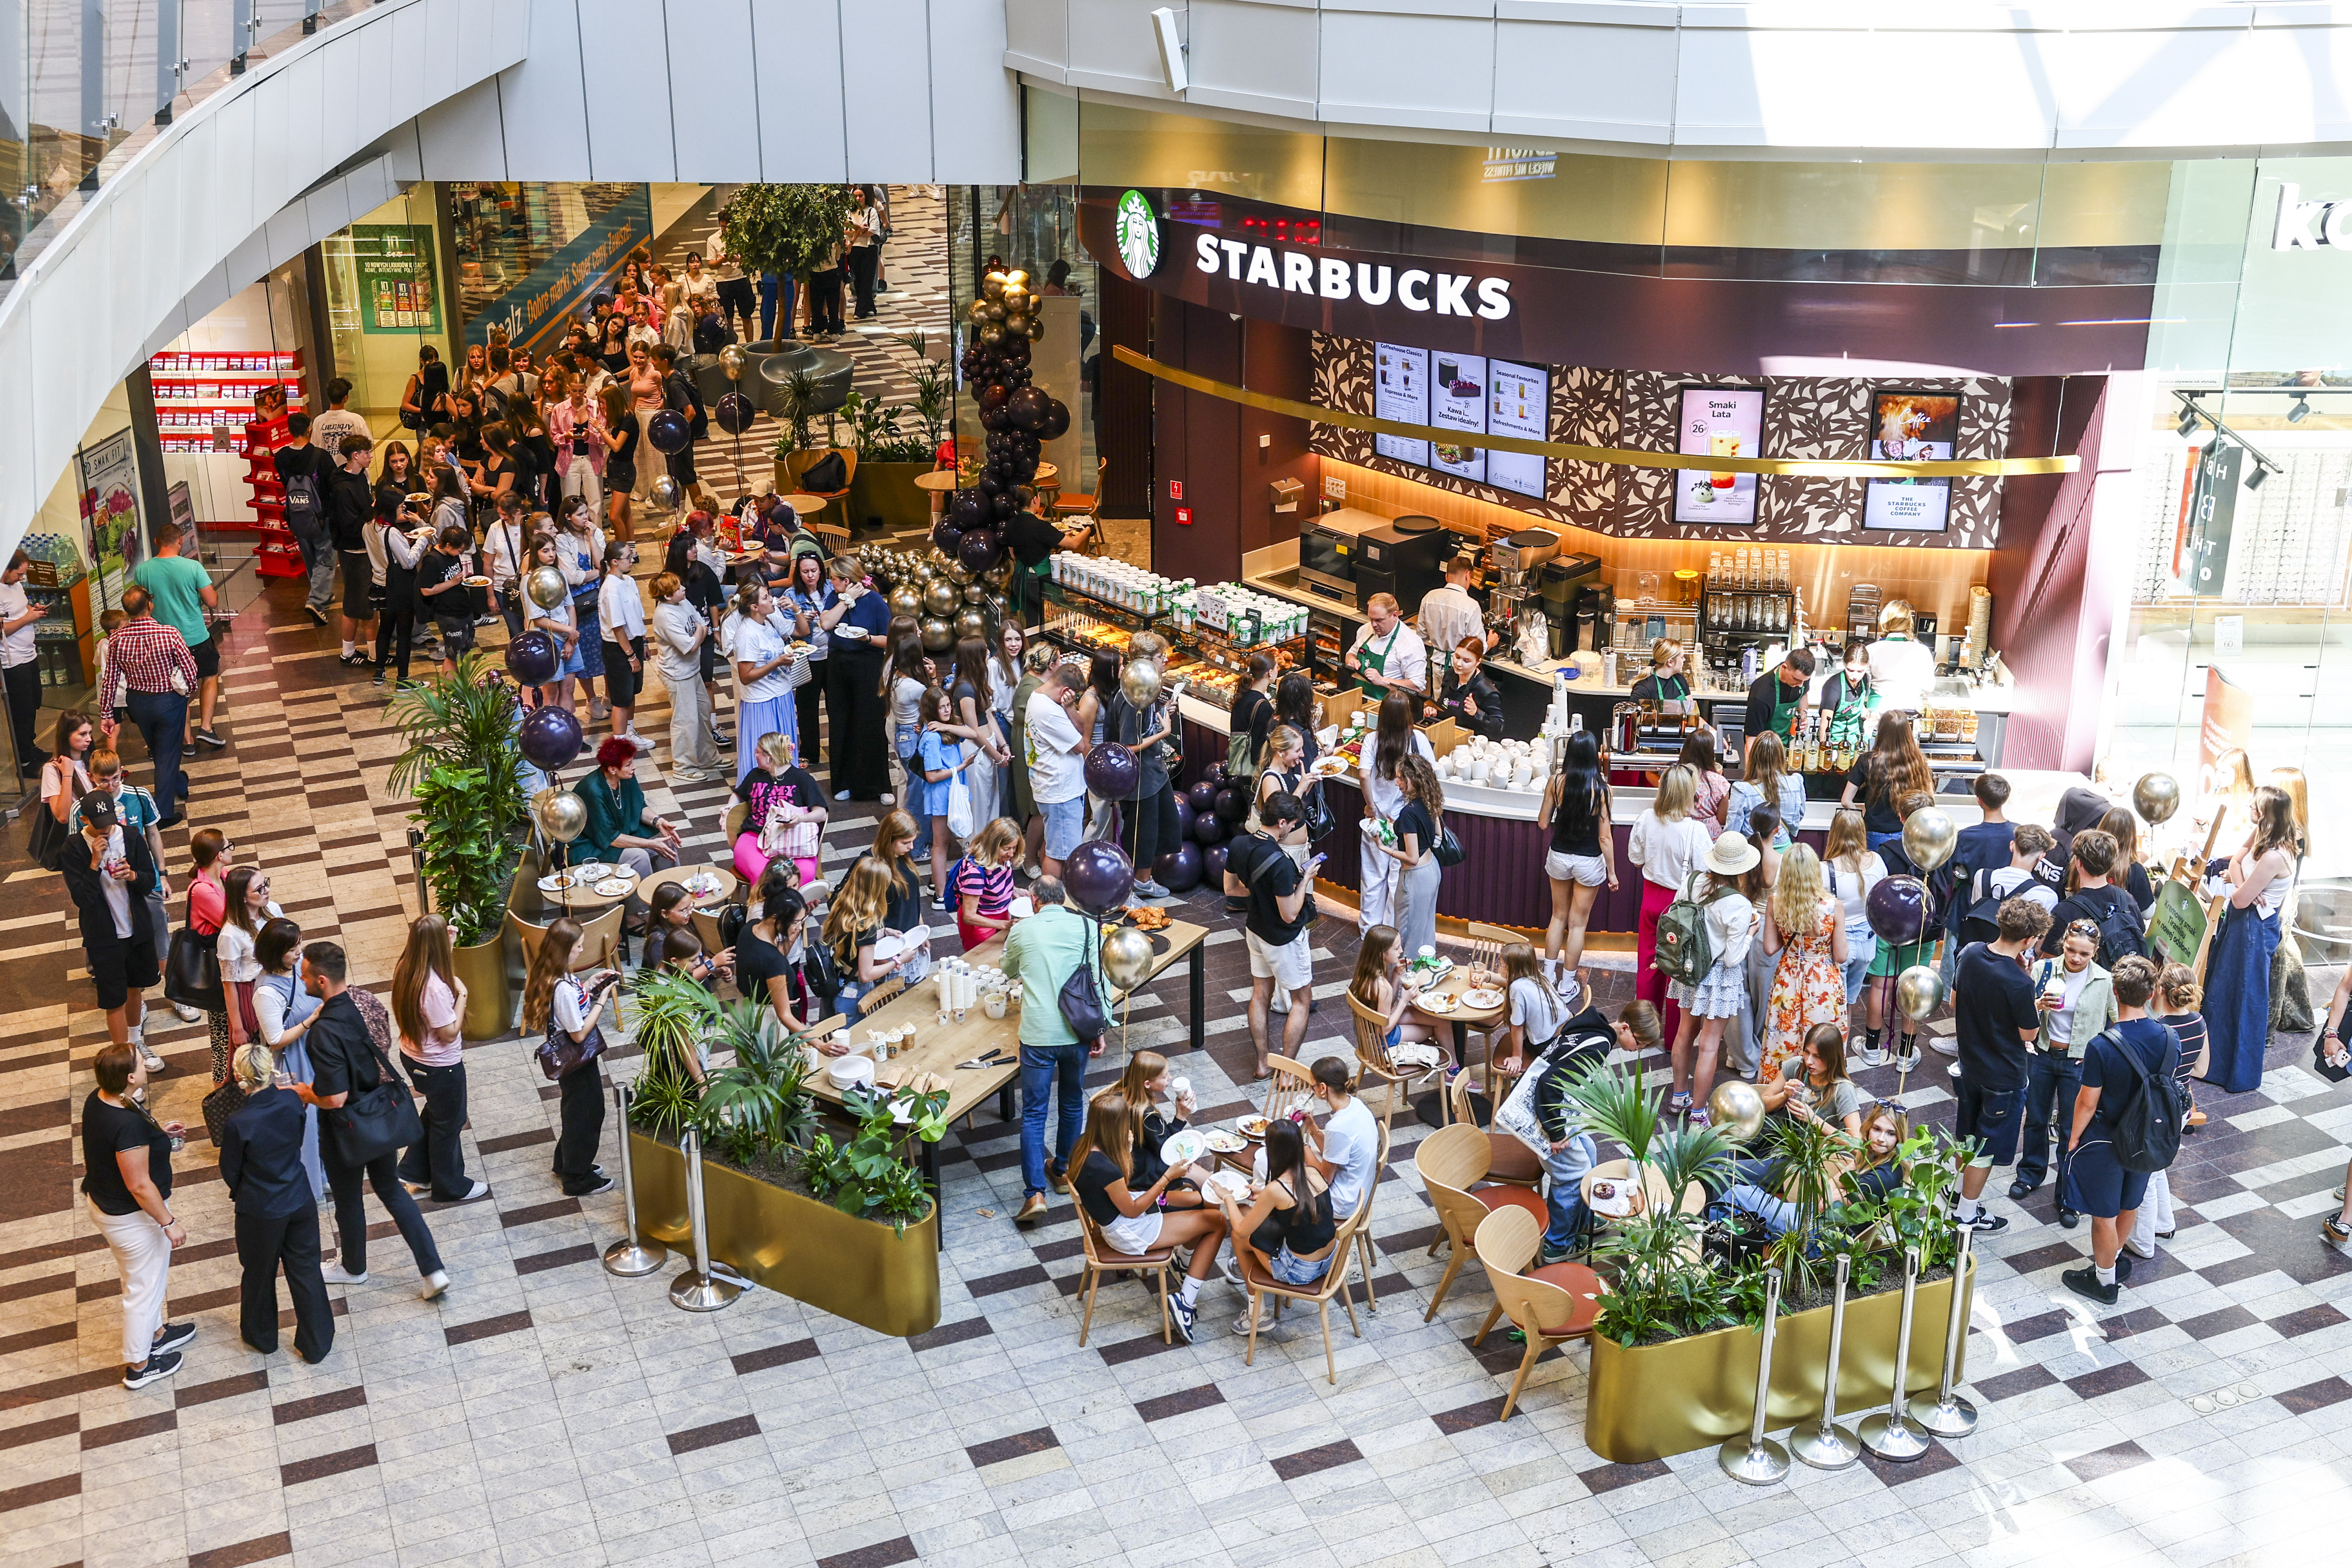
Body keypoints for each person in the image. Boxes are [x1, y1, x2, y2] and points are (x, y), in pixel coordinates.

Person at [292, 942, 449, 1297]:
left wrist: (305, 1093)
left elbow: (334, 1097)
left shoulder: (323, 1033)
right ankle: (433, 1269)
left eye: (303, 975)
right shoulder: (366, 1002)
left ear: (320, 980)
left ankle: (353, 1267)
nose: (300, 980)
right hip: (378, 1115)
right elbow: (381, 1048)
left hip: (345, 1127)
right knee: (391, 1190)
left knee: (348, 1198)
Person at [2060, 956, 2177, 1305]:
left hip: (2107, 1139)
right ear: (2153, 992)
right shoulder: (2169, 1036)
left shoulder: (2102, 1046)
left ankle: (2105, 1282)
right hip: (2149, 1137)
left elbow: (2087, 1102)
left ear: (2115, 992)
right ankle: (2113, 1262)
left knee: (2103, 1213)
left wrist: (2074, 1138)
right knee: (2130, 1204)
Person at [1072, 1089, 1231, 1343]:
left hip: (1120, 1210)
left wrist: (1128, 1147)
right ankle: (1185, 1302)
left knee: (1201, 1199)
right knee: (1218, 1222)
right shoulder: (1104, 1169)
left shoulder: (1082, 1145)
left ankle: (1182, 1262)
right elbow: (1132, 1210)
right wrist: (1168, 1177)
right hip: (1127, 1229)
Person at [83, 1041, 194, 1388]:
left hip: (107, 1205)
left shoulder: (101, 1098)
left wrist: (159, 1137)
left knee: (137, 1279)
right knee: (142, 1290)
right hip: (132, 1217)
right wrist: (169, 1223)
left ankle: (157, 1333)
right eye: (140, 1062)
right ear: (131, 1076)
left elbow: (124, 1143)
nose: (146, 1064)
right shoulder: (126, 1126)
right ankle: (139, 1365)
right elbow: (140, 1185)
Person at [1004, 874, 1109, 1225]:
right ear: (1063, 899)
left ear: (1035, 901)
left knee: (1034, 1114)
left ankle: (1034, 1193)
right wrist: (1100, 1027)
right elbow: (1099, 979)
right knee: (1071, 1101)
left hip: (1037, 1035)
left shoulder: (1022, 930)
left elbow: (1008, 969)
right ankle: (1063, 1170)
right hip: (1076, 1030)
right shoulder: (1086, 927)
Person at [220, 1042, 333, 1363]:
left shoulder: (239, 1123)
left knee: (258, 1273)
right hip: (299, 1198)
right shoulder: (291, 1100)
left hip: (261, 1209)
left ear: (240, 1077)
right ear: (271, 1070)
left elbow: (231, 1171)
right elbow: (297, 1138)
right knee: (306, 1270)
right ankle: (317, 1342)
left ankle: (263, 1337)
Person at [1952, 898, 2054, 1236]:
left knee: (1967, 1136)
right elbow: (2029, 1033)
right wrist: (2030, 995)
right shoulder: (2019, 982)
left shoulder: (1970, 952)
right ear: (2030, 940)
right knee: (1985, 1147)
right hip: (2003, 1075)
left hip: (1969, 1064)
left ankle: (1956, 1193)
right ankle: (1967, 1214)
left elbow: (1954, 1000)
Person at [2013, 917, 2115, 1224]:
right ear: (2064, 945)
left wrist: (2100, 1056)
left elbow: (2117, 1020)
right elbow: (2022, 1012)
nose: (2075, 958)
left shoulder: (2104, 981)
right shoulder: (2044, 969)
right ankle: (2030, 1174)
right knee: (2036, 1119)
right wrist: (2039, 1005)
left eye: (2084, 954)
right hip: (2044, 1054)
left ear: (2095, 953)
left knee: (2073, 1131)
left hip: (2079, 1062)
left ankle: (2069, 1196)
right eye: (2071, 950)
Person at [2200, 784, 2297, 1093]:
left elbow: (2241, 900)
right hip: (2242, 923)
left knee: (2245, 999)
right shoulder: (2262, 834)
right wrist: (2242, 883)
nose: (2249, 810)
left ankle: (2238, 1074)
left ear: (2266, 811)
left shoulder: (2275, 855)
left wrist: (2242, 888)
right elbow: (2235, 861)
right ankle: (2212, 1065)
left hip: (2255, 930)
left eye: (2254, 806)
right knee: (2221, 990)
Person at [1665, 832, 1761, 1122]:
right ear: (1742, 868)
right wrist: (1750, 935)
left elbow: (1676, 916)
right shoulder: (1740, 905)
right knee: (1709, 1045)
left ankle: (1678, 1097)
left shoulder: (1692, 882)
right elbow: (1733, 959)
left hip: (1687, 967)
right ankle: (1698, 1112)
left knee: (1684, 1033)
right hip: (1717, 977)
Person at [390, 915, 486, 1204]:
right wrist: (463, 995)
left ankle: (415, 1170)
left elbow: (437, 968)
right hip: (440, 1066)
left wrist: (449, 946)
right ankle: (450, 1186)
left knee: (436, 1114)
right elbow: (449, 1032)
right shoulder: (434, 989)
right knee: (450, 1123)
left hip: (414, 1057)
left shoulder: (407, 967)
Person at [521, 919, 619, 1198]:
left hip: (571, 1062)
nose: (582, 949)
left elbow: (571, 1004)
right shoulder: (561, 987)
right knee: (587, 1116)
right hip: (577, 1060)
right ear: (565, 950)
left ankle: (566, 1163)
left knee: (575, 1111)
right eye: (578, 946)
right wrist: (601, 1002)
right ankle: (577, 1178)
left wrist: (590, 985)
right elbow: (578, 1034)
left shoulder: (556, 975)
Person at [1226, 794, 1321, 1079]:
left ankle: (1263, 1064)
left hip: (1255, 929)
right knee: (1302, 1001)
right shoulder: (1280, 862)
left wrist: (1262, 895)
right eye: (1291, 825)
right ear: (1281, 822)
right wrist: (1305, 880)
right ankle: (1288, 1073)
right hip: (1283, 939)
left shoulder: (1239, 844)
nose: (1290, 830)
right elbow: (1290, 914)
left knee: (1260, 995)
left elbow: (1231, 889)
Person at [64, 789, 161, 1056]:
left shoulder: (130, 836)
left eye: (110, 820)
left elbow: (148, 882)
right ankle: (123, 1059)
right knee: (113, 999)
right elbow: (82, 899)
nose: (107, 828)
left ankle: (135, 1041)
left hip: (136, 928)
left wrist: (132, 876)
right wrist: (94, 863)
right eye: (99, 823)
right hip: (103, 937)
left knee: (135, 988)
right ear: (84, 820)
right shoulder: (73, 848)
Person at [1628, 764, 1715, 1052]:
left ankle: (1643, 1031)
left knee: (1648, 966)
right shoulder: (1695, 830)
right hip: (1680, 906)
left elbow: (1635, 858)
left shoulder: (1645, 819)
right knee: (1678, 973)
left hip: (1650, 900)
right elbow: (1704, 872)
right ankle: (1674, 1040)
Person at [96, 587, 198, 828]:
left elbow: (109, 678)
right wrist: (189, 690)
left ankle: (179, 783)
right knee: (166, 754)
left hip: (138, 703)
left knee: (159, 749)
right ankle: (163, 813)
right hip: (168, 701)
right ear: (149, 606)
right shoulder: (169, 634)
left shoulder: (117, 640)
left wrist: (107, 713)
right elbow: (190, 669)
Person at [250, 918, 326, 1203]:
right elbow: (275, 1039)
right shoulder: (267, 992)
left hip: (314, 1053)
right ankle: (310, 1186)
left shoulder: (297, 967)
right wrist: (311, 1020)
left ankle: (326, 1174)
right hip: (293, 1063)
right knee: (306, 1127)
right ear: (275, 952)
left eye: (299, 945)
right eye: (292, 948)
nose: (299, 952)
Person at [129, 523, 223, 751]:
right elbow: (212, 601)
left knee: (178, 688)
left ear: (156, 542)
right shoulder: (193, 567)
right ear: (180, 541)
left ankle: (187, 741)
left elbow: (140, 605)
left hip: (163, 641)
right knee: (209, 676)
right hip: (196, 637)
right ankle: (207, 728)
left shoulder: (143, 571)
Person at [1761, 844, 1849, 1077]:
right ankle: (1821, 1092)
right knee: (1820, 1039)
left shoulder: (1776, 902)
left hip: (1788, 977)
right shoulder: (1833, 907)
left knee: (1784, 1036)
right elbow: (1841, 956)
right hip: (1823, 979)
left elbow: (1770, 948)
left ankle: (1781, 1091)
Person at [1108, 633, 1180, 900]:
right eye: (1162, 657)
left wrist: (1162, 717)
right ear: (1144, 661)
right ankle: (1133, 886)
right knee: (1141, 834)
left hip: (1154, 774)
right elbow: (1127, 747)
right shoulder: (1131, 699)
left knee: (1159, 829)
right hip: (1139, 780)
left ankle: (1145, 879)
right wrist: (1164, 733)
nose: (1166, 662)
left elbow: (1144, 729)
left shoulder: (1147, 691)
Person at [1358, 693, 1435, 932]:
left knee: (1372, 875)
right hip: (1404, 823)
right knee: (1397, 879)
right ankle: (1391, 933)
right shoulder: (1417, 740)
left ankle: (1369, 930)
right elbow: (1432, 773)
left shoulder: (1372, 740)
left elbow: (1363, 774)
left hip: (1377, 821)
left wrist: (1371, 806)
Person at [572, 736, 682, 901]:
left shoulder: (625, 777)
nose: (634, 767)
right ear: (612, 769)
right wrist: (651, 843)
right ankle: (636, 915)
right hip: (590, 847)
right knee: (640, 856)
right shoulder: (593, 791)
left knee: (668, 845)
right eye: (629, 764)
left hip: (615, 836)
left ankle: (674, 900)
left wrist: (658, 821)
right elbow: (611, 839)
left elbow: (639, 806)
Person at [821, 555, 894, 801]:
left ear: (846, 579)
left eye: (833, 579)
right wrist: (846, 600)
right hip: (838, 665)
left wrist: (868, 639)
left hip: (868, 664)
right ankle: (843, 782)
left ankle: (879, 786)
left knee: (871, 723)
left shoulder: (875, 601)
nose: (830, 583)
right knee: (841, 721)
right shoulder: (835, 598)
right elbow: (826, 623)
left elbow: (889, 639)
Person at [821, 858, 922, 1021]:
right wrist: (899, 961)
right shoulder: (867, 925)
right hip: (854, 993)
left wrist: (883, 932)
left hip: (840, 980)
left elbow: (852, 939)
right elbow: (867, 974)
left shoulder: (844, 907)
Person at [1822, 808, 1888, 1047]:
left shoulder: (1825, 869)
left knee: (1832, 1006)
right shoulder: (1877, 861)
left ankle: (1830, 1056)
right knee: (1850, 1001)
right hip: (1868, 943)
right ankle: (1842, 1054)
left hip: (1837, 946)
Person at [1025, 663, 1092, 878]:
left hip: (1055, 787)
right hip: (1060, 791)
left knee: (1053, 844)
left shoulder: (1041, 697)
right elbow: (1081, 746)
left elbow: (1080, 729)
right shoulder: (1049, 712)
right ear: (1065, 692)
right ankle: (1054, 902)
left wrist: (1071, 708)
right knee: (1059, 855)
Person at [272, 413, 340, 625]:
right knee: (326, 560)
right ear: (309, 429)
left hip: (296, 515)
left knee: (310, 558)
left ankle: (322, 593)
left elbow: (284, 483)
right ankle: (317, 601)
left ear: (290, 431)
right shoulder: (320, 456)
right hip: (321, 516)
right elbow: (332, 485)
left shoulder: (281, 457)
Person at [734, 730, 826, 886]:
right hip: (755, 837)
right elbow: (738, 795)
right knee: (764, 876)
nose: (755, 755)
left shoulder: (802, 779)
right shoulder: (755, 775)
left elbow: (821, 813)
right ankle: (765, 910)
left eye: (758, 752)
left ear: (770, 756)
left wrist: (800, 819)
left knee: (803, 874)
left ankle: (794, 910)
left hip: (792, 840)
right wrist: (728, 808)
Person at [1839, 711, 1932, 861]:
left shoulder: (1867, 760)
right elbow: (1930, 801)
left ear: (1881, 731)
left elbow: (1846, 801)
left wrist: (1862, 817)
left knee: (1875, 880)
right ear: (1907, 733)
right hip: (1908, 835)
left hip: (1874, 834)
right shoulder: (1918, 761)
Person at [1380, 754, 1447, 960]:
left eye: (1401, 778)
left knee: (1406, 938)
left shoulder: (1409, 813)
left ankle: (1404, 987)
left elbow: (1412, 857)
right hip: (1432, 870)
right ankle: (1425, 980)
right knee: (1425, 932)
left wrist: (1384, 848)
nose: (1397, 783)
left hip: (1415, 876)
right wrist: (1398, 825)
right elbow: (1438, 836)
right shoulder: (1429, 800)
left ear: (1413, 780)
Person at [2042, 828, 2143, 965]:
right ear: (2112, 864)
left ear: (2079, 863)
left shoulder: (2064, 912)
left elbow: (2049, 965)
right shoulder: (2127, 899)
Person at [1755, 1023, 1864, 1140]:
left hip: (1817, 1151)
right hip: (1783, 1140)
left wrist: (1813, 1120)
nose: (1809, 1061)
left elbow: (1856, 1143)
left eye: (1817, 1056)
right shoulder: (1796, 1066)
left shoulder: (1843, 1089)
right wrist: (1784, 1095)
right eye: (1807, 1052)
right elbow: (1762, 1106)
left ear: (1832, 1058)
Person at [326, 433, 379, 668]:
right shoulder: (342, 488)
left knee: (358, 603)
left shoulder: (359, 477)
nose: (370, 457)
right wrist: (373, 512)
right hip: (354, 552)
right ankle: (371, 654)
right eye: (367, 453)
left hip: (362, 549)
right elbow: (350, 526)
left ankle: (353, 651)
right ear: (355, 456)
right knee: (364, 605)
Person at [596, 542, 654, 750]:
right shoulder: (611, 589)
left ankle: (630, 733)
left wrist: (644, 642)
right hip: (619, 649)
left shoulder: (628, 581)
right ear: (614, 562)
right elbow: (617, 627)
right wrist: (630, 656)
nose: (632, 560)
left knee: (632, 692)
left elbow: (638, 615)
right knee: (621, 698)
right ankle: (619, 744)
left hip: (635, 643)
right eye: (628, 557)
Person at [1350, 924, 1439, 1056]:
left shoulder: (1363, 974)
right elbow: (1384, 1030)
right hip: (1382, 1041)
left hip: (1367, 1033)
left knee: (1438, 1020)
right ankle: (1452, 1068)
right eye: (1397, 948)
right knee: (1438, 1025)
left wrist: (1396, 975)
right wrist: (1404, 1000)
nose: (1401, 951)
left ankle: (1451, 1067)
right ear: (1382, 954)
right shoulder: (1382, 986)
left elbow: (1386, 1006)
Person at [783, 552, 836, 770]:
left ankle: (839, 748)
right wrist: (802, 618)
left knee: (836, 704)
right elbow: (788, 631)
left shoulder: (832, 589)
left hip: (832, 654)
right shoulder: (791, 595)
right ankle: (810, 752)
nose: (810, 576)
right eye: (805, 572)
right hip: (807, 658)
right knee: (806, 708)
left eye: (814, 571)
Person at [951, 817, 1022, 950]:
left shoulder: (1002, 859)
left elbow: (994, 887)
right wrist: (1004, 925)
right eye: (1007, 848)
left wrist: (1014, 891)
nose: (1012, 853)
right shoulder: (974, 874)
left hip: (1001, 918)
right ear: (993, 846)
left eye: (1014, 848)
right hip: (981, 926)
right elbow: (969, 916)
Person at [1727, 730, 1806, 848]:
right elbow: (1800, 816)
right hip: (1785, 851)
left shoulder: (1742, 790)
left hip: (1753, 853)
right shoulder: (1796, 782)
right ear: (1781, 756)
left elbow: (1732, 833)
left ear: (1754, 756)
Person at [1345, 591, 1428, 700]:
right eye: (1371, 619)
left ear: (1395, 615)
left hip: (1390, 707)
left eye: (1379, 620)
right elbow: (1351, 653)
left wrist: (1383, 681)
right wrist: (1351, 660)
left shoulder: (1411, 644)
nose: (1374, 625)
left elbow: (1417, 686)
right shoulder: (1365, 629)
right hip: (1358, 698)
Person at [1415, 554, 1487, 670]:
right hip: (1459, 669)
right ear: (1468, 576)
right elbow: (1478, 647)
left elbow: (1421, 636)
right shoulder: (1471, 606)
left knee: (1438, 690)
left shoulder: (1429, 597)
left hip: (1436, 665)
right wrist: (1491, 642)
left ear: (1447, 577)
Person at [1742, 646, 1814, 762]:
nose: (1801, 685)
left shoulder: (1801, 678)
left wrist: (1803, 715)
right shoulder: (1762, 694)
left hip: (1792, 749)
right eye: (1796, 679)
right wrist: (1751, 777)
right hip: (1766, 755)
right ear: (1785, 668)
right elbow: (1751, 741)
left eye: (1804, 681)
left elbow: (1804, 694)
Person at [1866, 599, 1936, 715]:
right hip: (1911, 711)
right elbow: (1929, 687)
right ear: (1909, 623)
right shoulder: (1922, 651)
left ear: (1884, 622)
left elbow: (1863, 685)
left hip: (1879, 712)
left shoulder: (1872, 650)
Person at [1429, 637, 1506, 742]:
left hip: (1471, 743)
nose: (1459, 664)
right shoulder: (1451, 674)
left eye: (1466, 661)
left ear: (1478, 662)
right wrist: (1435, 711)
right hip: (1446, 735)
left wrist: (1477, 713)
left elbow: (1498, 728)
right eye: (1457, 657)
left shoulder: (1487, 691)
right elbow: (1445, 704)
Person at [1816, 639, 1876, 758]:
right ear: (1844, 663)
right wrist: (1824, 751)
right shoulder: (1833, 687)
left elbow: (1858, 706)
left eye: (1860, 671)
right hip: (1834, 745)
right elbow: (1824, 725)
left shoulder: (1865, 680)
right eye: (1850, 670)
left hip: (1856, 743)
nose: (1855, 676)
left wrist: (1870, 716)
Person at [1227, 652, 1276, 786]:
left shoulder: (1242, 696)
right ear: (1270, 673)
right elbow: (1259, 747)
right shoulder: (1263, 707)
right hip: (1253, 772)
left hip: (1241, 765)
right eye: (1277, 668)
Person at [1677, 726, 1731, 833]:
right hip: (1709, 834)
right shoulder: (1721, 782)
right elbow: (1722, 820)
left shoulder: (1677, 776)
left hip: (1682, 830)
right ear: (1710, 753)